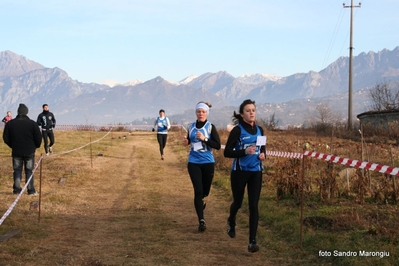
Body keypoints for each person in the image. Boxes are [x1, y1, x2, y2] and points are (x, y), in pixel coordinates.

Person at [223, 99, 266, 253]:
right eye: (248, 110)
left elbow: (263, 149)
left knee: (254, 206)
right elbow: (227, 152)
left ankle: (252, 241)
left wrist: (262, 155)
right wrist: (244, 152)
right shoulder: (238, 130)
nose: (251, 113)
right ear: (242, 114)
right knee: (238, 202)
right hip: (239, 172)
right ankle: (231, 220)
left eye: (253, 110)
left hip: (256, 172)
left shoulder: (260, 129)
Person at [182, 101, 221, 232]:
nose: (201, 114)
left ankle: (202, 200)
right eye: (199, 111)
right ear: (196, 113)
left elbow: (217, 145)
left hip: (208, 162)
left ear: (207, 113)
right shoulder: (191, 126)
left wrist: (205, 139)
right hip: (193, 162)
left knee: (205, 191)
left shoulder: (211, 127)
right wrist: (186, 141)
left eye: (203, 112)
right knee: (198, 190)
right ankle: (201, 221)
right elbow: (188, 140)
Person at [3, 104, 42, 195]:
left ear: (18, 112)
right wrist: (35, 146)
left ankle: (16, 190)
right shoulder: (32, 124)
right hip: (29, 151)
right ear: (26, 113)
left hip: (16, 151)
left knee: (17, 170)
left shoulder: (10, 124)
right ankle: (31, 190)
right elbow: (38, 137)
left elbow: (6, 138)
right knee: (29, 171)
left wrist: (12, 145)